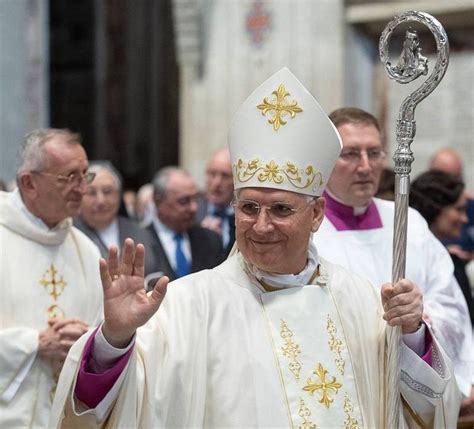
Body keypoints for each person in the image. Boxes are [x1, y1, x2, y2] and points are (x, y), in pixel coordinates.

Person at [50, 68, 459, 428]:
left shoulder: (362, 301)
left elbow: (421, 407)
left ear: (316, 215)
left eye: (281, 209)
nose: (261, 226)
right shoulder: (190, 305)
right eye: (248, 207)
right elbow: (118, 406)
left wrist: (412, 336)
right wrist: (115, 339)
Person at [311, 107, 473, 401]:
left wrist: (420, 322)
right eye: (350, 154)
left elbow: (452, 305)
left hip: (414, 395)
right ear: (325, 158)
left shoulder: (409, 222)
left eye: (374, 153)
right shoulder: (306, 231)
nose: (365, 166)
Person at [0, 129, 103, 428]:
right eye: (70, 177)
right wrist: (33, 343)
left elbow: (102, 333)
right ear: (29, 183)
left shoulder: (84, 249)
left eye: (86, 175)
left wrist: (88, 341)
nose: (83, 189)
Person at [74, 161, 161, 277]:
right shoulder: (70, 234)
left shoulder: (141, 233)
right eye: (91, 193)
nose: (101, 201)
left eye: (107, 191)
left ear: (119, 195)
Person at [145, 166, 225, 281]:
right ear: (158, 201)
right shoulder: (139, 240)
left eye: (196, 199)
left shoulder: (211, 240)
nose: (194, 208)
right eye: (184, 201)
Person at [196, 148, 235, 255]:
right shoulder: (193, 212)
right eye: (212, 174)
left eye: (225, 176)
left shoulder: (246, 214)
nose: (217, 183)